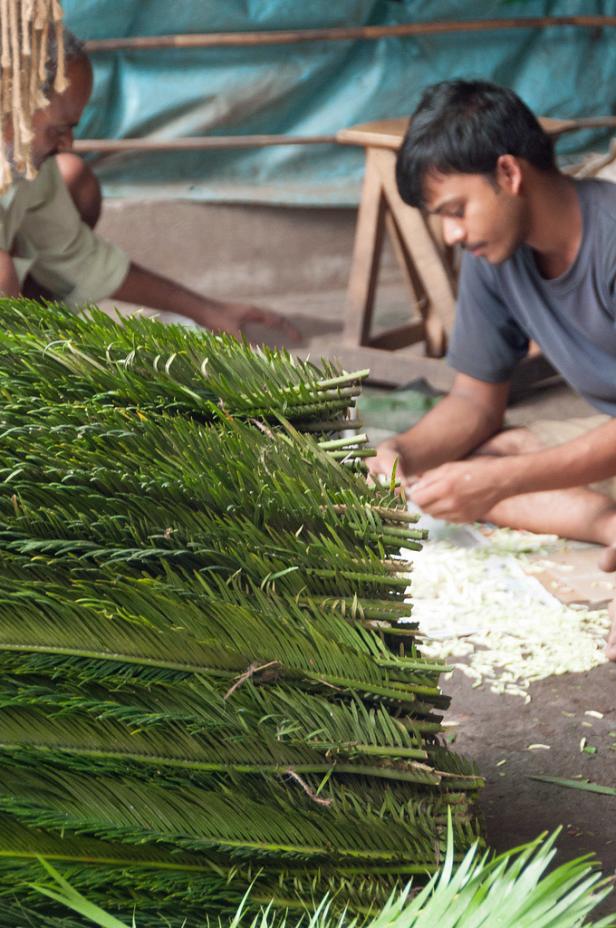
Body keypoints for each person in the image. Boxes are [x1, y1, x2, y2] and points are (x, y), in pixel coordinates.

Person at [366, 79, 616, 661]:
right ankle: (610, 525)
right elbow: (475, 404)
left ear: (509, 174)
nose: (453, 234)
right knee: (471, 469)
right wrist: (402, 450)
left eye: (456, 210)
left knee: (496, 478)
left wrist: (505, 483)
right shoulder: (494, 257)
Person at [0, 31, 299, 342]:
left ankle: (35, 325)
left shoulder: (26, 162)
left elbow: (74, 254)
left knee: (75, 179)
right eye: (59, 128)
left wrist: (209, 310)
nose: (68, 142)